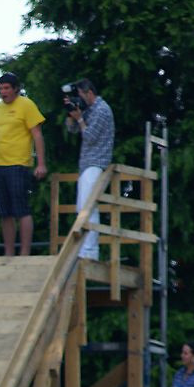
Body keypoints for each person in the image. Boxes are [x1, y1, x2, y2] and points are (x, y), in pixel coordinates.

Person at [0, 73, 47, 256]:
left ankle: (24, 252)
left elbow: (37, 135)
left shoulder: (26, 105)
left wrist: (41, 164)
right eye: (1, 89)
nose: (3, 92)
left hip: (18, 164)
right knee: (3, 211)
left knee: (21, 209)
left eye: (7, 88)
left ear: (16, 88)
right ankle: (9, 252)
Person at [64, 78, 115, 260]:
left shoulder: (102, 110)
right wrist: (72, 115)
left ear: (89, 93)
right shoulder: (90, 110)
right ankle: (84, 249)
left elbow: (90, 136)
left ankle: (90, 251)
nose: (80, 99)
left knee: (88, 206)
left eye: (80, 96)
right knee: (82, 206)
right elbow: (73, 131)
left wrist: (80, 120)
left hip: (97, 163)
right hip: (87, 164)